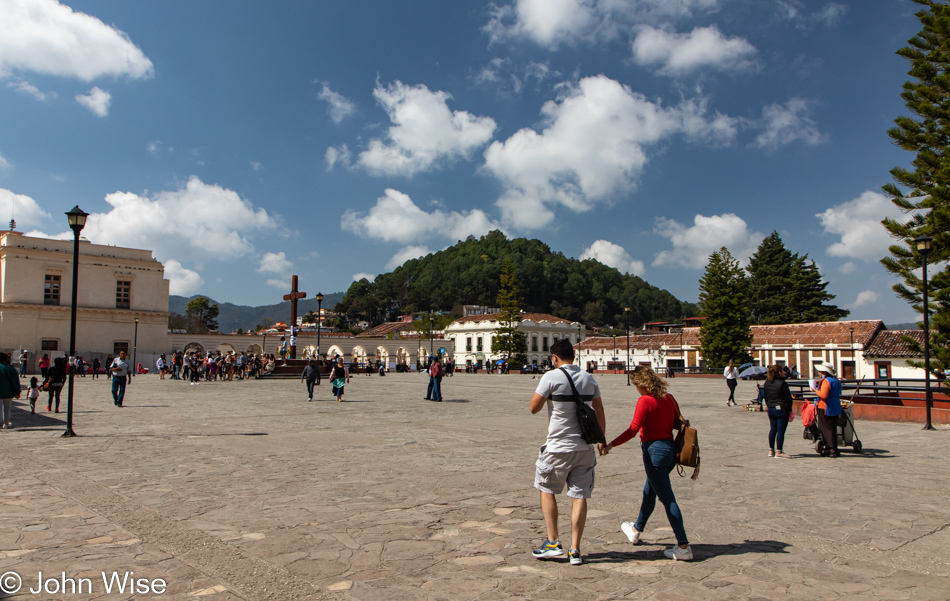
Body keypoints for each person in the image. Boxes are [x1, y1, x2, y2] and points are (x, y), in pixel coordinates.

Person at [599, 366, 692, 561]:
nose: (636, 389)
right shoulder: (669, 398)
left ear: (642, 384)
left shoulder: (645, 401)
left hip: (654, 452)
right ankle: (636, 529)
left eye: (636, 385)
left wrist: (610, 445)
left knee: (668, 499)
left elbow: (633, 429)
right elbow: (678, 423)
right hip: (670, 450)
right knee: (649, 491)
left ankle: (683, 545)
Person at [528, 339, 605, 566]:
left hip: (558, 447)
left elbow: (534, 407)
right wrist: (601, 438)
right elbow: (599, 409)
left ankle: (553, 542)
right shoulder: (588, 378)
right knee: (579, 496)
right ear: (573, 355)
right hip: (583, 448)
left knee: (547, 489)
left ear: (554, 357)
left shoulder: (551, 377)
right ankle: (575, 550)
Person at [810, 363, 842, 457]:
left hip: (826, 407)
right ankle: (834, 448)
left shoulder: (826, 381)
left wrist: (815, 390)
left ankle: (831, 448)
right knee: (832, 428)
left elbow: (824, 395)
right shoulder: (836, 380)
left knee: (826, 428)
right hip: (835, 405)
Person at [763, 364, 794, 458]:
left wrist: (769, 405)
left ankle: (771, 450)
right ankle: (779, 451)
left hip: (771, 408)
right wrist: (790, 409)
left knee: (773, 429)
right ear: (779, 372)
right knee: (780, 430)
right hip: (781, 408)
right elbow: (788, 398)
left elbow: (765, 396)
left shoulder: (767, 382)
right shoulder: (782, 383)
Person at [0, 353, 21, 429]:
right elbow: (15, 381)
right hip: (8, 392)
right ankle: (6, 423)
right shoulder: (11, 368)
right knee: (7, 408)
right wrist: (17, 391)